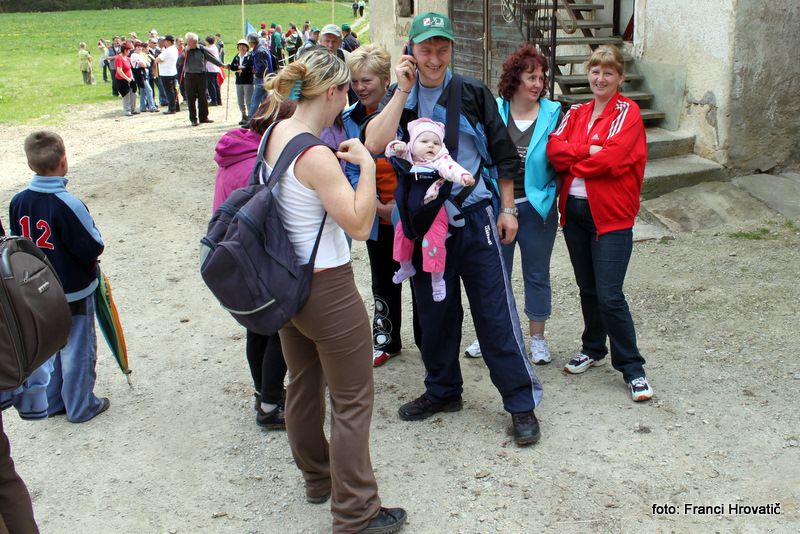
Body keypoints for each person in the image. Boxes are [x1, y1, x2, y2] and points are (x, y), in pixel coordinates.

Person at [363, 11, 543, 446]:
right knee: (435, 313)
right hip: (425, 225)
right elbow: (373, 144)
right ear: (412, 50)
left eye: (442, 48)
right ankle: (443, 390)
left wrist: (508, 209)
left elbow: (503, 154)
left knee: (494, 312)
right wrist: (402, 90)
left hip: (475, 216)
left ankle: (521, 403)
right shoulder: (399, 96)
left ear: (451, 49)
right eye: (426, 49)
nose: (434, 57)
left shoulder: (472, 92)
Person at [262, 49, 406, 533]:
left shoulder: (274, 134)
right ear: (333, 92)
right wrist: (366, 164)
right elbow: (361, 225)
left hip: (286, 282)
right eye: (346, 89)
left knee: (302, 385)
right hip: (327, 286)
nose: (350, 96)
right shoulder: (317, 153)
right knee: (352, 400)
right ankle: (357, 513)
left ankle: (317, 479)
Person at [546, 45, 653, 402]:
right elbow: (553, 149)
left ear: (620, 78)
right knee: (587, 288)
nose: (600, 78)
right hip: (574, 212)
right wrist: (588, 151)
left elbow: (615, 159)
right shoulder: (576, 111)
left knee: (610, 295)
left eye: (608, 72)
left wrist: (575, 160)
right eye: (595, 71)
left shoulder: (629, 112)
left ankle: (633, 369)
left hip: (611, 215)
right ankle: (593, 348)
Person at [464, 45, 562, 364]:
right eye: (530, 76)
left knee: (536, 273)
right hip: (497, 205)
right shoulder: (495, 109)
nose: (537, 83)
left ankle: (537, 339)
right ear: (515, 78)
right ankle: (490, 334)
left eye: (541, 77)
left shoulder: (554, 113)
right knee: (494, 274)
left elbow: (562, 160)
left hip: (537, 208)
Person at [10, 131, 110, 423]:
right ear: (63, 161)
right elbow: (92, 246)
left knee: (49, 344)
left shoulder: (18, 201)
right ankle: (81, 405)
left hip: (36, 290)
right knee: (78, 346)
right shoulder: (68, 204)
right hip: (73, 290)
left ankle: (52, 401)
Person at [212, 99, 298, 428]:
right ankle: (271, 405)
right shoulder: (258, 161)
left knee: (256, 327)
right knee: (278, 327)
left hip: (233, 253)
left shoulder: (237, 148)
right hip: (254, 254)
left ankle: (263, 392)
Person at [344, 44, 421, 366]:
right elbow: (347, 167)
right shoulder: (348, 119)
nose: (360, 88)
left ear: (384, 79)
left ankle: (427, 338)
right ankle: (386, 338)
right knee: (382, 278)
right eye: (355, 82)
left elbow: (421, 161)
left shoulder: (408, 112)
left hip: (410, 215)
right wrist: (373, 205)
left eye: (367, 81)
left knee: (420, 278)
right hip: (375, 215)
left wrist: (399, 208)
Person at [386, 118, 474, 302]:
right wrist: (398, 147)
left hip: (433, 210)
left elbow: (451, 168)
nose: (430, 146)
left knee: (434, 244)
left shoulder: (439, 160)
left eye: (436, 142)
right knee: (402, 235)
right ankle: (405, 265)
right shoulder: (408, 155)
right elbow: (389, 152)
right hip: (409, 210)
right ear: (413, 143)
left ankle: (437, 280)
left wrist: (463, 176)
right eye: (424, 141)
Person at [182, 32, 226, 126]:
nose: (191, 43)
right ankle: (193, 119)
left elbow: (212, 58)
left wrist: (222, 65)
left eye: (193, 41)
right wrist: (184, 53)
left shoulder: (201, 49)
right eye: (190, 41)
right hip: (190, 76)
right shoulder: (185, 50)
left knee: (203, 97)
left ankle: (204, 117)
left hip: (201, 75)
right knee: (191, 98)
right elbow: (179, 62)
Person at [248, 32, 272, 121]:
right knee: (265, 100)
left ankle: (251, 120)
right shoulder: (261, 49)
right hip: (265, 78)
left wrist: (255, 71)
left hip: (261, 78)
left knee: (255, 100)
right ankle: (266, 118)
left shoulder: (259, 51)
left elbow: (262, 66)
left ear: (252, 42)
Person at [230, 39, 254, 125]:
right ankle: (243, 115)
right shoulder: (237, 56)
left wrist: (240, 68)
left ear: (246, 48)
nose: (241, 48)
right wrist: (240, 67)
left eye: (243, 46)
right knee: (240, 100)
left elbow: (249, 67)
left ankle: (251, 117)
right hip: (239, 81)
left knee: (248, 100)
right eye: (240, 46)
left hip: (248, 81)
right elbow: (232, 67)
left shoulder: (249, 56)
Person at [155, 35, 179, 114]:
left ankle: (171, 108)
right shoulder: (175, 49)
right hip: (172, 71)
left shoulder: (167, 50)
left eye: (165, 41)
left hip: (166, 73)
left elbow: (158, 59)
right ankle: (176, 106)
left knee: (169, 91)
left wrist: (157, 59)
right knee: (174, 90)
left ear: (168, 41)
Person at [131, 41, 157, 112]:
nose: (139, 48)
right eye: (138, 47)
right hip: (140, 73)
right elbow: (143, 64)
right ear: (135, 47)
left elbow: (148, 63)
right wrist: (145, 64)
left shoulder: (141, 54)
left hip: (144, 73)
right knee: (149, 90)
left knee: (143, 91)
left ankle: (142, 107)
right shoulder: (134, 55)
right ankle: (152, 106)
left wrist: (145, 64)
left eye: (140, 47)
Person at [113, 42, 138, 116]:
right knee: (126, 95)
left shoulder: (127, 58)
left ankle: (133, 109)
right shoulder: (119, 58)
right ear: (124, 50)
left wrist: (132, 78)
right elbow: (119, 71)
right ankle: (127, 110)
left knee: (133, 94)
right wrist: (128, 79)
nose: (129, 52)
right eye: (128, 50)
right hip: (122, 80)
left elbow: (129, 68)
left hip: (129, 78)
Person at [204, 35, 222, 107]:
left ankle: (214, 100)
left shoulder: (209, 49)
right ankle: (218, 100)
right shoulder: (215, 47)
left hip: (210, 68)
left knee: (211, 85)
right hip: (215, 68)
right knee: (216, 85)